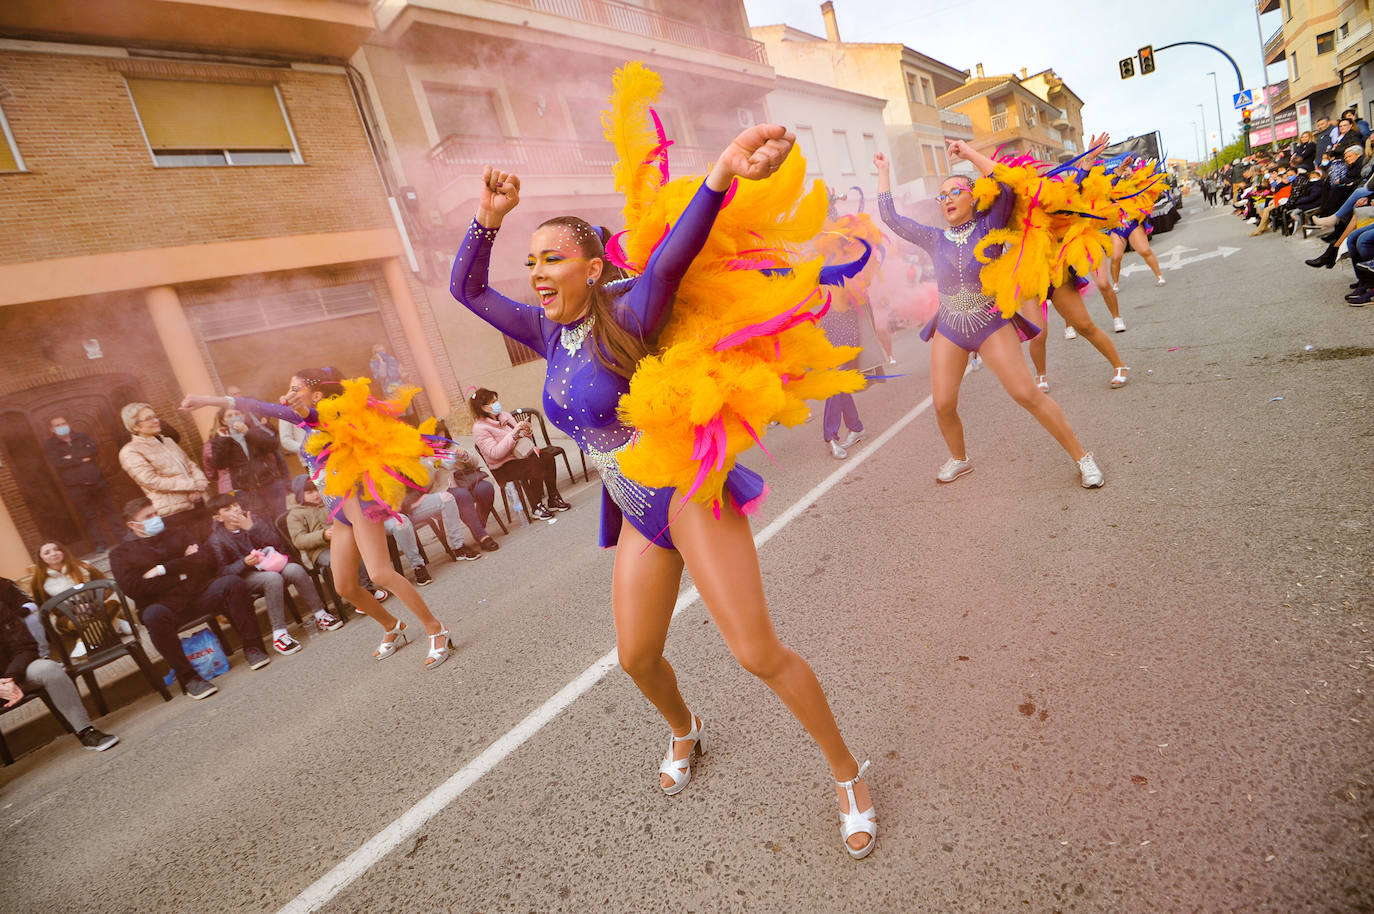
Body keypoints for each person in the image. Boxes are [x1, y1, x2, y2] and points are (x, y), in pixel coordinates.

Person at [452, 97, 878, 857]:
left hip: (687, 492)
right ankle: (687, 729)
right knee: (636, 658)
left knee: (755, 653)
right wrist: (487, 218)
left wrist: (719, 174)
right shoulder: (541, 329)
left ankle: (847, 772)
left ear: (591, 266)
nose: (537, 274)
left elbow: (680, 250)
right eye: (531, 262)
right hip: (633, 508)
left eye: (551, 259)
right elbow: (468, 292)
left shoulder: (635, 308)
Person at [179, 372, 457, 670]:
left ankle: (436, 629)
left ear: (315, 395)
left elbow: (309, 415)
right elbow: (258, 406)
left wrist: (302, 409)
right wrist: (208, 401)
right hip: (338, 512)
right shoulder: (303, 422)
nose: (289, 392)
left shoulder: (330, 417)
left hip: (360, 505)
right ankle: (392, 625)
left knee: (380, 573)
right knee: (345, 587)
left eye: (295, 387)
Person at [876, 142, 1105, 489]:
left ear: (973, 196)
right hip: (951, 326)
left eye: (956, 191)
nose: (948, 199)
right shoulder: (933, 238)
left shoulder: (990, 225)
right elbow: (891, 218)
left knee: (1026, 394)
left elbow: (1008, 184)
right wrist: (883, 172)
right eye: (942, 196)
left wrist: (968, 154)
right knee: (942, 403)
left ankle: (1082, 456)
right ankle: (959, 458)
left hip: (990, 324)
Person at [110, 497, 272, 700]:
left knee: (231, 583)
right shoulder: (120, 554)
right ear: (132, 525)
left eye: (156, 513)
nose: (156, 519)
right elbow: (134, 588)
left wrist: (163, 569)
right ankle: (189, 678)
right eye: (148, 517)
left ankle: (253, 647)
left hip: (198, 593)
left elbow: (205, 560)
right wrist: (184, 569)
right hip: (165, 605)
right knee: (153, 617)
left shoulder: (177, 532)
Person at [205, 493, 341, 655]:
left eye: (235, 505)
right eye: (228, 509)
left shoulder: (253, 519)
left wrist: (251, 528)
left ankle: (321, 614)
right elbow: (223, 571)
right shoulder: (216, 539)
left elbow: (276, 542)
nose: (235, 510)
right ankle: (280, 634)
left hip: (271, 564)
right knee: (272, 579)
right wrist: (244, 563)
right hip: (246, 577)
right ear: (218, 518)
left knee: (295, 569)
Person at [1, 576, 119, 751]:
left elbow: (25, 647)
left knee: (49, 668)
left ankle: (86, 731)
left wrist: (9, 678)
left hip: (13, 673)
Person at [285, 475, 389, 604]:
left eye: (316, 490)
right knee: (342, 559)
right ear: (300, 494)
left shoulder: (329, 502)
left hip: (340, 541)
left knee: (357, 551)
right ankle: (361, 596)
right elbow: (299, 540)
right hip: (320, 551)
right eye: (309, 492)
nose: (315, 495)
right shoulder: (295, 515)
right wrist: (322, 535)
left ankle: (367, 591)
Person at [470, 388, 569, 521]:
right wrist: (513, 435)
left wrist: (526, 431)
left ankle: (553, 498)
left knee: (547, 457)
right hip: (503, 466)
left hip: (520, 455)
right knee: (535, 464)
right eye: (493, 402)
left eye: (496, 400)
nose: (497, 404)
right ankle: (536, 506)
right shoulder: (479, 429)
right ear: (484, 407)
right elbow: (494, 453)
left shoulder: (504, 415)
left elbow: (519, 436)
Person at [118, 402, 210, 541]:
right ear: (135, 426)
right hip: (174, 514)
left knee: (214, 544)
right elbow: (151, 481)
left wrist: (200, 484)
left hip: (198, 502)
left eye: (156, 416)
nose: (156, 420)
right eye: (149, 418)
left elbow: (190, 464)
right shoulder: (130, 451)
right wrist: (192, 485)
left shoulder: (168, 441)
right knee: (195, 552)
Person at [29, 540, 132, 658]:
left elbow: (107, 587)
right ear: (41, 558)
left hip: (97, 606)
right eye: (47, 552)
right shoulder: (38, 582)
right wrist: (74, 609)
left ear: (63, 551)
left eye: (57, 549)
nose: (54, 553)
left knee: (113, 604)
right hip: (66, 616)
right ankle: (115, 624)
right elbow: (46, 607)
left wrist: (92, 605)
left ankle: (83, 643)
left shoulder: (84, 566)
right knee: (84, 619)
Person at [43, 415, 122, 553]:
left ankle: (121, 536)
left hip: (97, 481)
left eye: (64, 422)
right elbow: (58, 462)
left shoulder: (81, 436)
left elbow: (94, 450)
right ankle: (100, 543)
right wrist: (81, 458)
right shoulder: (50, 445)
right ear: (51, 429)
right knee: (89, 516)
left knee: (110, 510)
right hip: (76, 487)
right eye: (57, 425)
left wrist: (71, 458)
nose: (62, 426)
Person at [208, 405, 287, 518]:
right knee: (261, 521)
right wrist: (223, 440)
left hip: (270, 483)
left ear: (243, 416)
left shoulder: (255, 429)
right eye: (229, 416)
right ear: (223, 421)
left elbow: (272, 446)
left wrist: (248, 432)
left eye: (237, 414)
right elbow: (219, 464)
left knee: (282, 518)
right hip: (246, 490)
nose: (234, 417)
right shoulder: (220, 439)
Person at [433, 420, 500, 552]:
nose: (441, 443)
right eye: (437, 440)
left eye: (443, 438)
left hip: (466, 481)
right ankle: (482, 536)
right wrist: (433, 464)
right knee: (463, 496)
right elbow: (426, 481)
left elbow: (474, 463)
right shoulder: (424, 456)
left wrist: (465, 456)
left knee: (485, 488)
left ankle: (478, 527)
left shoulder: (451, 448)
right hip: (445, 489)